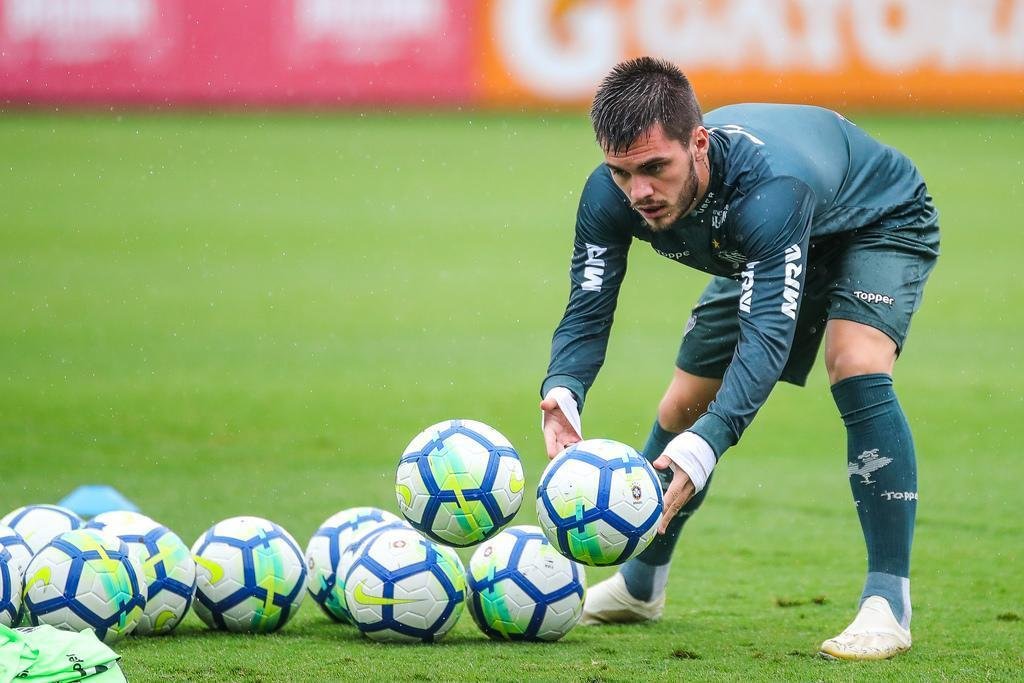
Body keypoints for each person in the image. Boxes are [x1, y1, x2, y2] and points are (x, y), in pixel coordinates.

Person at [539, 57, 938, 661]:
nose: (639, 192)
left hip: (871, 221)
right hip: (754, 246)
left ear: (698, 144)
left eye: (655, 168)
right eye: (622, 173)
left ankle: (888, 602)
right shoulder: (611, 194)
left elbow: (766, 338)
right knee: (683, 403)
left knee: (855, 361)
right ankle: (640, 585)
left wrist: (712, 442)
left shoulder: (769, 191)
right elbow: (588, 307)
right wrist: (563, 391)